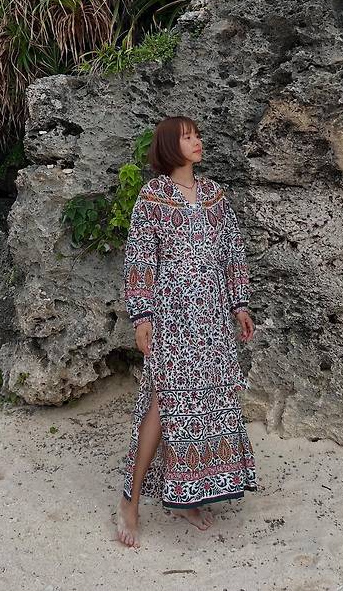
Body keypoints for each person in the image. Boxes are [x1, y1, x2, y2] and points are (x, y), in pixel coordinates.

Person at [116, 115, 257, 548]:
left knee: (208, 404)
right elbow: (140, 259)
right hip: (172, 318)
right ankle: (129, 501)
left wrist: (240, 304)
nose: (196, 142)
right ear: (168, 147)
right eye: (186, 137)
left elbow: (232, 251)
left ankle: (189, 497)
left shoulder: (215, 195)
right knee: (165, 403)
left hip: (212, 318)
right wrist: (142, 317)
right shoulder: (152, 197)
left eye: (196, 135)